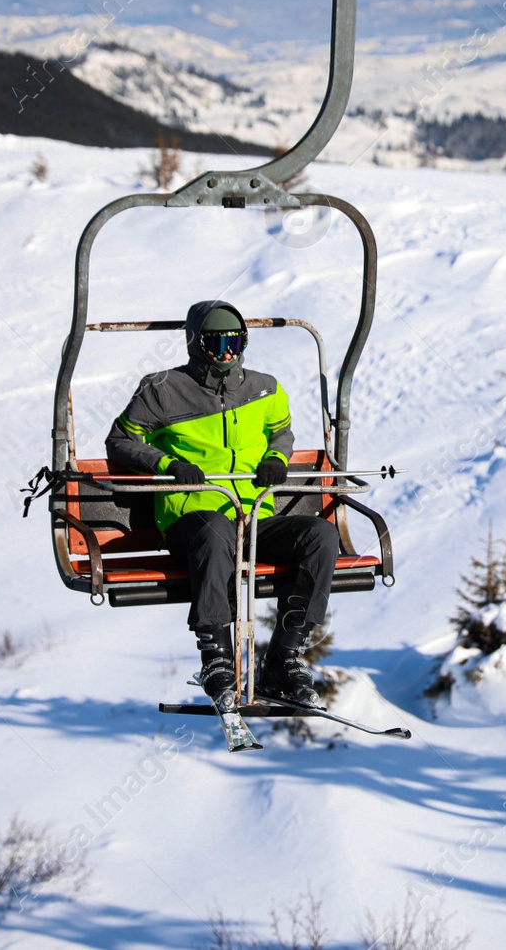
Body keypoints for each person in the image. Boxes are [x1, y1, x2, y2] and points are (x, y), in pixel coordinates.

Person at [106, 300, 338, 708]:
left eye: (234, 341)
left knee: (320, 534)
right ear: (196, 343)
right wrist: (167, 463)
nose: (227, 352)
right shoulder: (162, 390)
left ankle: (284, 657)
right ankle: (216, 656)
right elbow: (120, 442)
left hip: (252, 518)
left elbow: (281, 433)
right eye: (216, 343)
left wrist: (276, 460)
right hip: (193, 520)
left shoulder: (264, 388)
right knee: (216, 532)